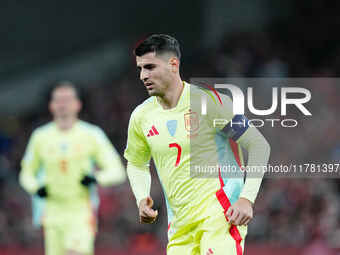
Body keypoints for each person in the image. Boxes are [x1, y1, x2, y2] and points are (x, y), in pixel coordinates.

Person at [124, 34, 270, 255]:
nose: (143, 76)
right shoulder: (141, 116)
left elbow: (259, 145)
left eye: (150, 67)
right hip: (179, 228)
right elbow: (136, 163)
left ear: (173, 65)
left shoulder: (209, 102)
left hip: (221, 217)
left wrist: (246, 199)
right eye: (140, 69)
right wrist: (141, 197)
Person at [19, 82, 126, 255]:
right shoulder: (40, 137)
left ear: (78, 104)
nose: (63, 104)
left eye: (68, 99)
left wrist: (96, 178)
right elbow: (26, 173)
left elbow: (117, 171)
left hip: (80, 211)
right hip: (52, 213)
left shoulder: (92, 134)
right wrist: (35, 188)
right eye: (58, 100)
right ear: (51, 105)